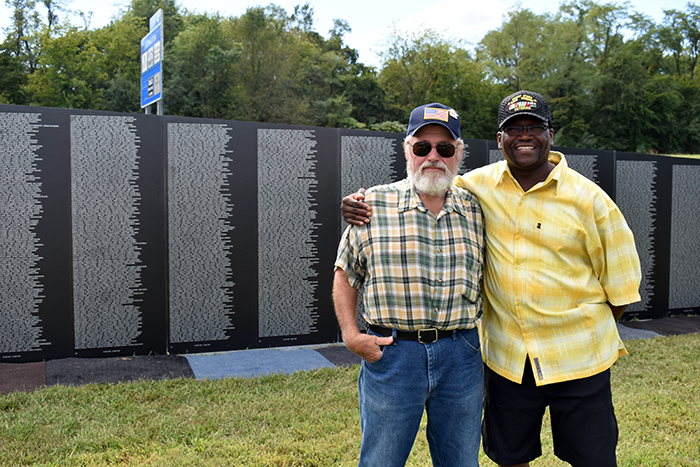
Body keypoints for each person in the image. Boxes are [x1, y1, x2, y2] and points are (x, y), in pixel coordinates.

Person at [341, 91, 642, 467]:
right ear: (499, 140)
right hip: (509, 362)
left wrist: (581, 327)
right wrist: (354, 203)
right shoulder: (475, 187)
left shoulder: (590, 199)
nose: (525, 136)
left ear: (551, 134)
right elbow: (425, 185)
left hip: (578, 359)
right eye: (513, 129)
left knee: (593, 459)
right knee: (508, 456)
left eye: (534, 127)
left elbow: (622, 288)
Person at [333, 102, 485, 467]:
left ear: (459, 153)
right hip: (394, 354)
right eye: (422, 147)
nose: (433, 156)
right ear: (407, 150)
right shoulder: (372, 205)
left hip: (461, 354)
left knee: (462, 461)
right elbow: (345, 273)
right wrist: (352, 337)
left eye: (445, 148)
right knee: (381, 461)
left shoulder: (477, 210)